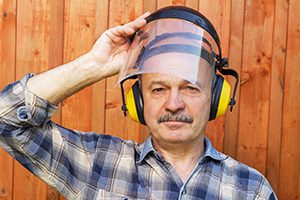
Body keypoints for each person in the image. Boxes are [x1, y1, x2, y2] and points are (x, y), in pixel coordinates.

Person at [0, 6, 277, 200]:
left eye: (190, 88)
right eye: (158, 89)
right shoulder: (96, 163)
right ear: (138, 101)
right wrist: (93, 65)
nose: (173, 103)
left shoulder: (251, 190)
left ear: (216, 97)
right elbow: (7, 120)